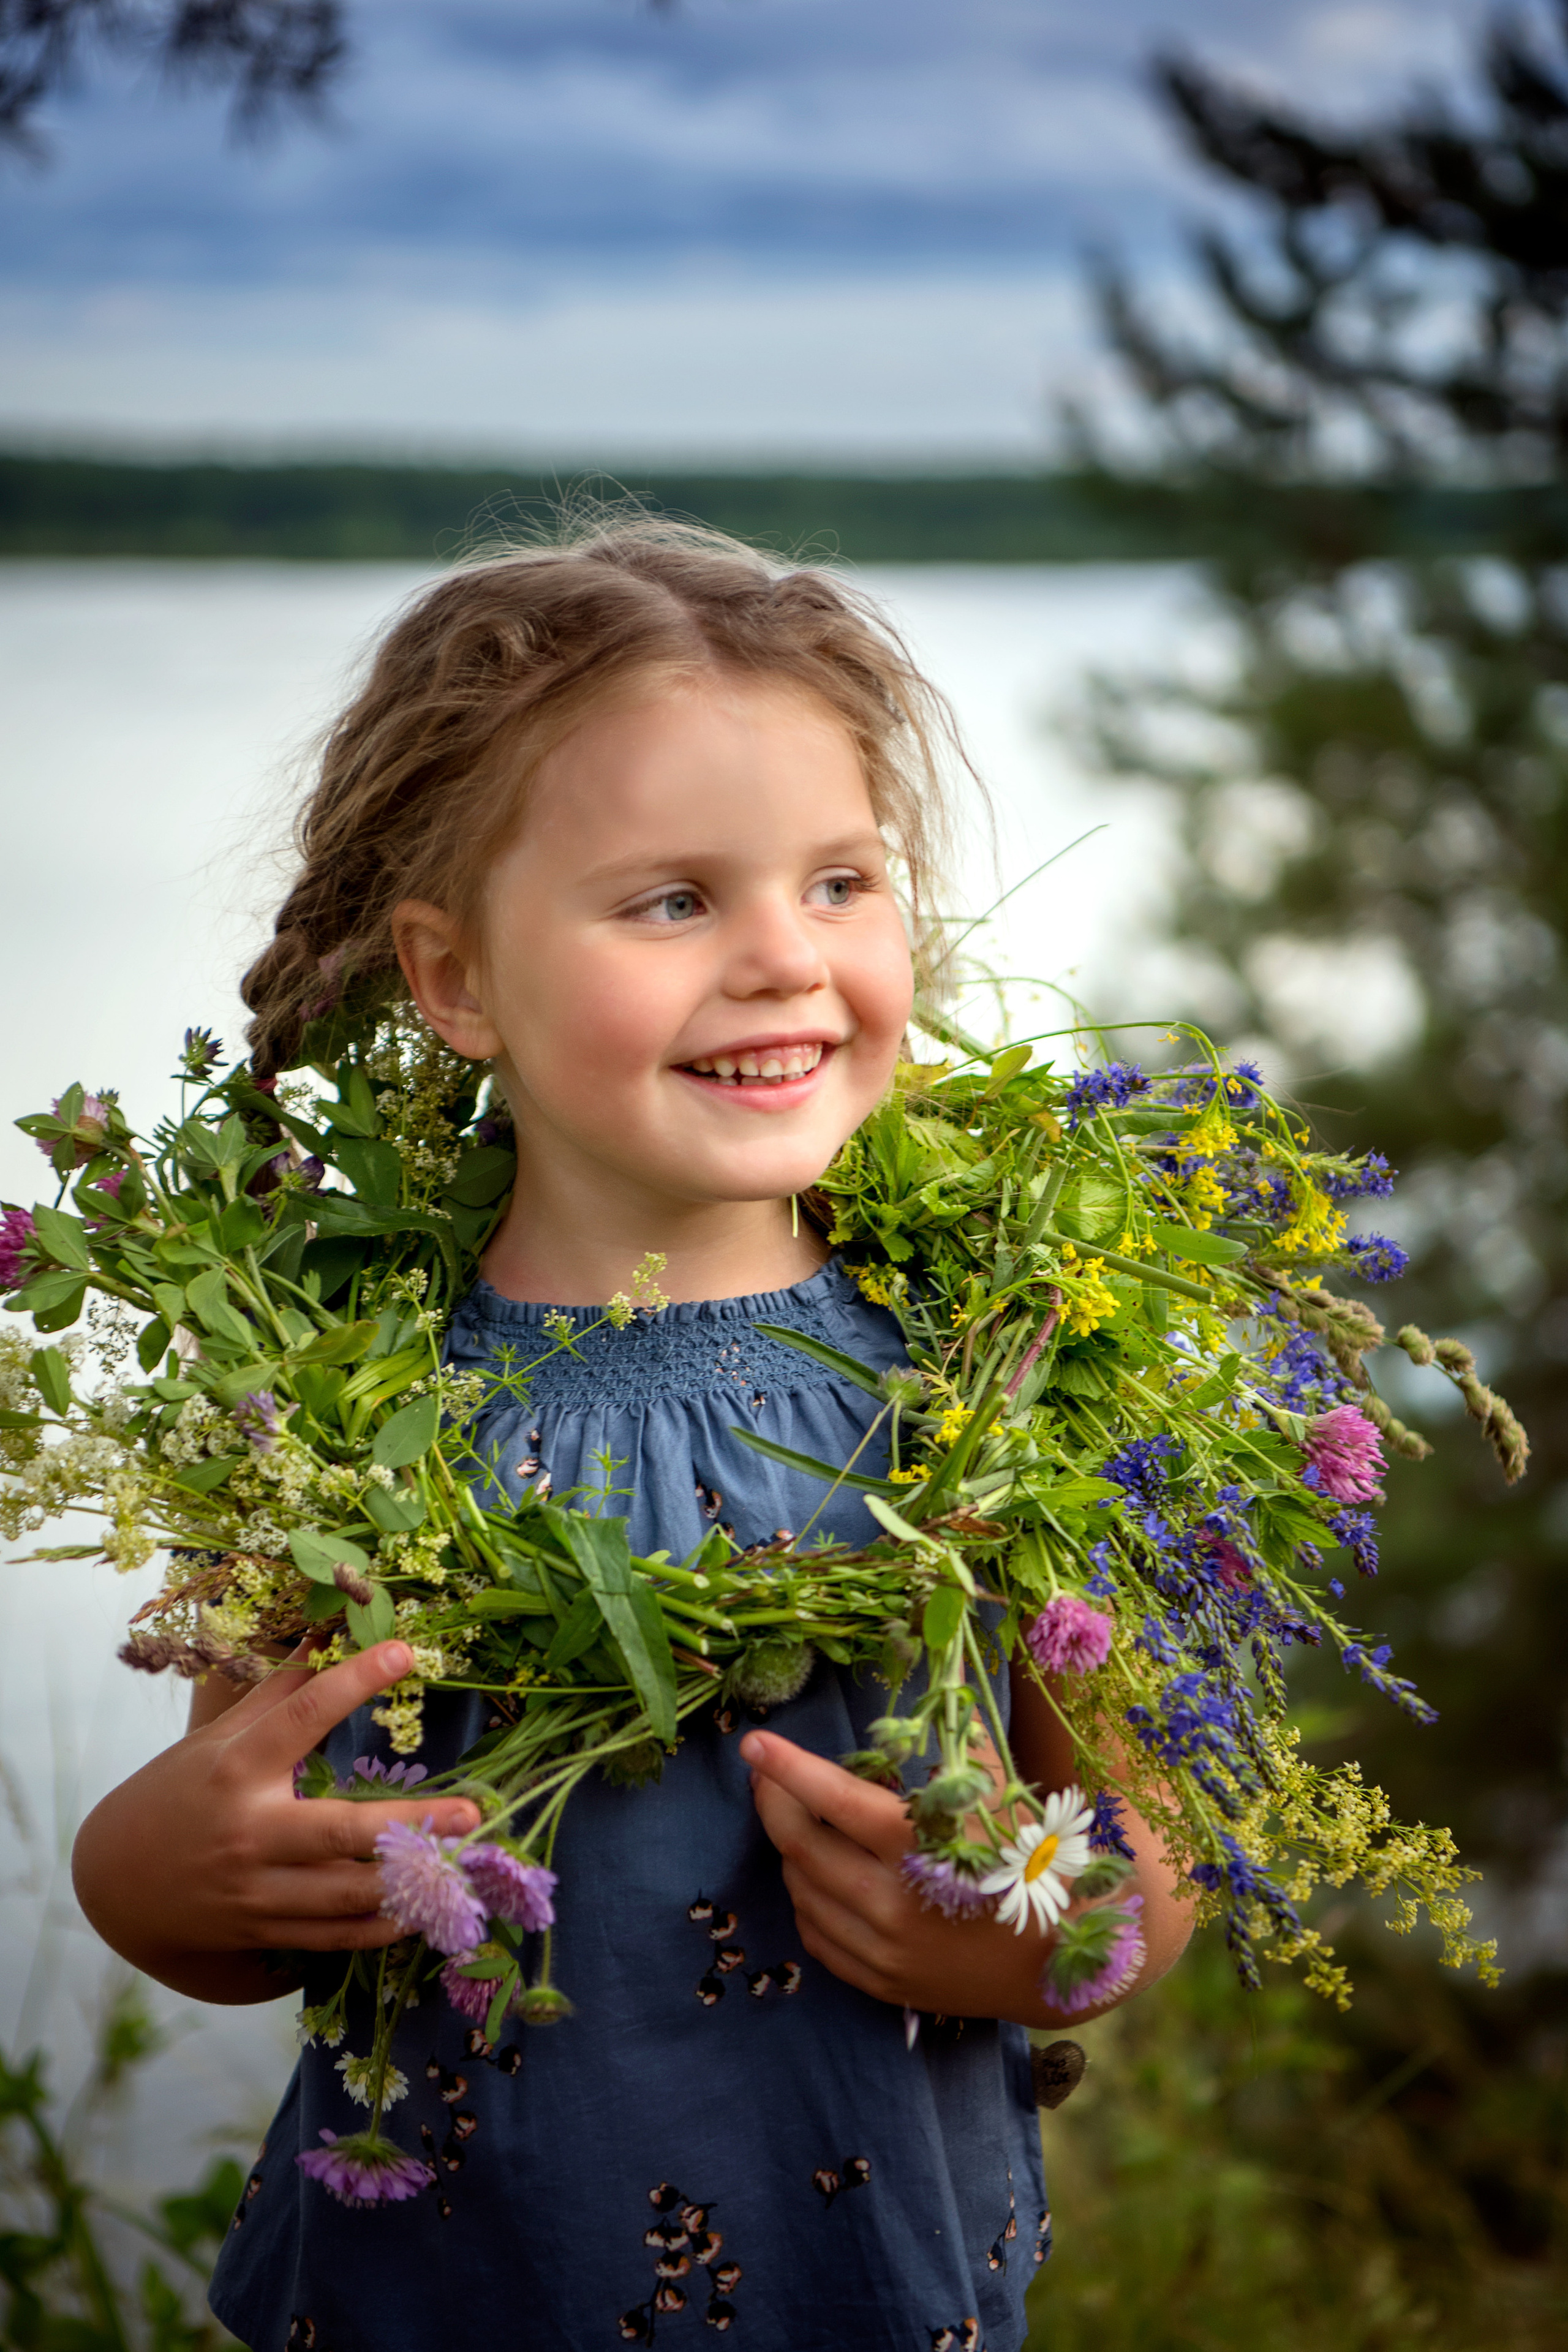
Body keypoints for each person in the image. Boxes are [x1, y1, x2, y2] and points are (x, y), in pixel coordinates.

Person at [72, 519, 1192, 2352]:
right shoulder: (345, 1400)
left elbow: (1149, 1850)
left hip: (868, 2288)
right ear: (455, 980)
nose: (783, 959)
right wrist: (149, 1874)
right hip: (435, 2292)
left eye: (841, 882)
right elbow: (230, 1877)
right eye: (673, 901)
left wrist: (1035, 1937)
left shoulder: (995, 1359)